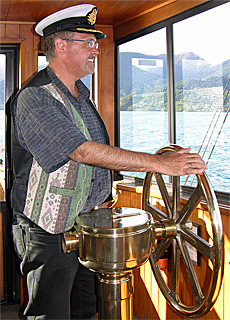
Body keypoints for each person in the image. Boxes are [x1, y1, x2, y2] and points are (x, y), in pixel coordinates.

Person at [10, 4, 207, 320]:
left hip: (88, 225)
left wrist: (102, 200)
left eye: (96, 43)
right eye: (88, 42)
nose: (96, 50)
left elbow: (93, 159)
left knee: (86, 309)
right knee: (51, 313)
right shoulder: (36, 97)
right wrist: (162, 164)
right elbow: (82, 152)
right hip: (46, 231)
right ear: (60, 45)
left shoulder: (81, 96)